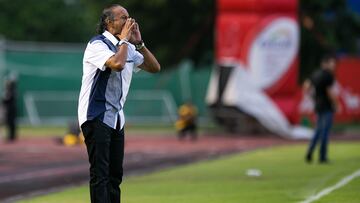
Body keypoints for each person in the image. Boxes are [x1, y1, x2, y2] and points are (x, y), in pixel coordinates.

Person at [78, 4, 160, 203]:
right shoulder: (97, 44)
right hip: (95, 114)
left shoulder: (129, 47)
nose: (128, 22)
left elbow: (154, 67)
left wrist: (139, 43)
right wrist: (124, 40)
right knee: (100, 174)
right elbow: (117, 64)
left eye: (129, 17)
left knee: (115, 175)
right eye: (123, 18)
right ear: (109, 22)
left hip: (116, 118)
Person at [303, 54, 338, 164]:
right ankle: (322, 157)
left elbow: (306, 86)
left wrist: (313, 98)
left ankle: (310, 152)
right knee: (325, 132)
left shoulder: (315, 74)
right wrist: (336, 104)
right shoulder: (328, 76)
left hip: (318, 105)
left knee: (318, 131)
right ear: (326, 63)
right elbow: (329, 92)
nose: (334, 65)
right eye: (332, 62)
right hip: (327, 106)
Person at [2, 78, 17, 142]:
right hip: (10, 108)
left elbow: (6, 100)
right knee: (10, 123)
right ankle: (11, 136)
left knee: (11, 122)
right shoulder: (11, 91)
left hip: (10, 109)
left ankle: (11, 136)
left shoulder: (10, 91)